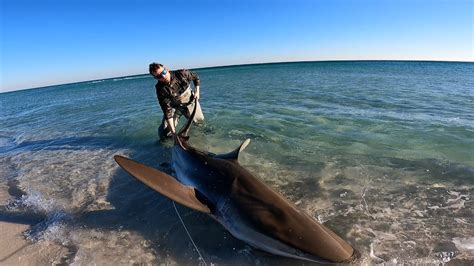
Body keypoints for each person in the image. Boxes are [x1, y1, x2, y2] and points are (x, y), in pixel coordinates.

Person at [149, 62, 204, 140]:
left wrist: (197, 91)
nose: (163, 76)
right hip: (174, 107)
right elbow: (167, 112)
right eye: (159, 76)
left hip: (190, 102)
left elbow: (195, 77)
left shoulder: (182, 73)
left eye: (163, 72)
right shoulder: (160, 89)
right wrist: (174, 133)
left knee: (199, 123)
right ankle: (164, 147)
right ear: (155, 78)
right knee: (165, 133)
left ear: (166, 69)